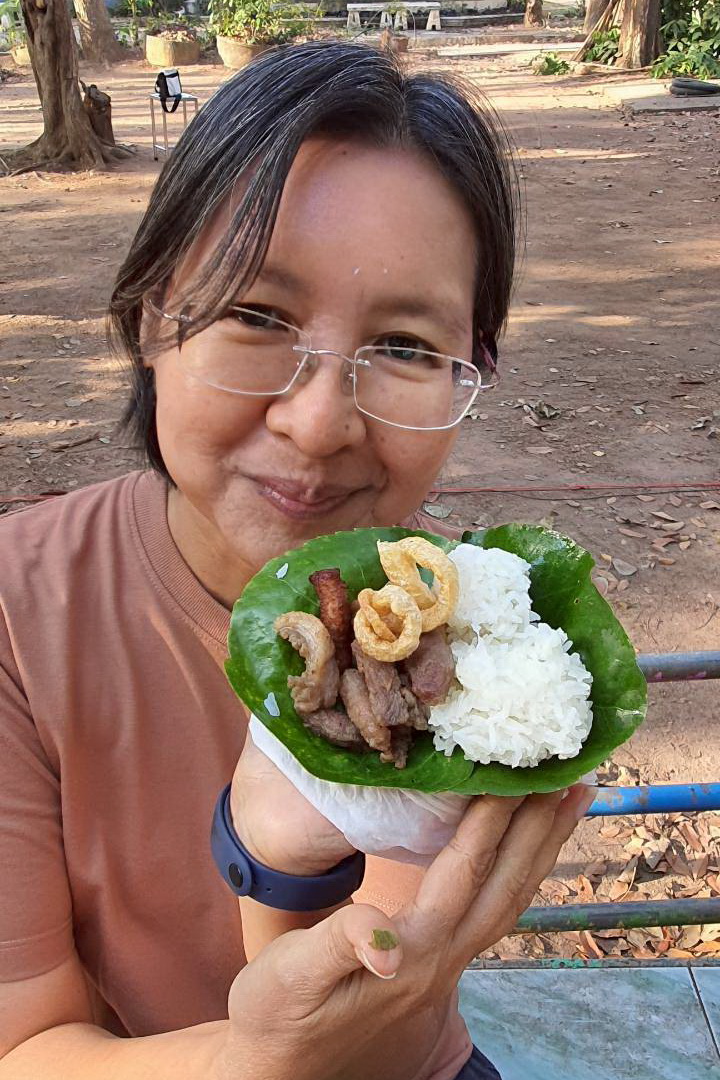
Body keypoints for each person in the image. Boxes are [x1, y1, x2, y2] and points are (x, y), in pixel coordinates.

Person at [0, 41, 594, 1079]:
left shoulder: (474, 647)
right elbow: (26, 1044)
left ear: (471, 370)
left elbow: (381, 1023)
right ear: (150, 319)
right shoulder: (17, 614)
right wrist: (251, 1058)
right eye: (256, 316)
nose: (318, 425)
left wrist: (277, 873)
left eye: (406, 347)